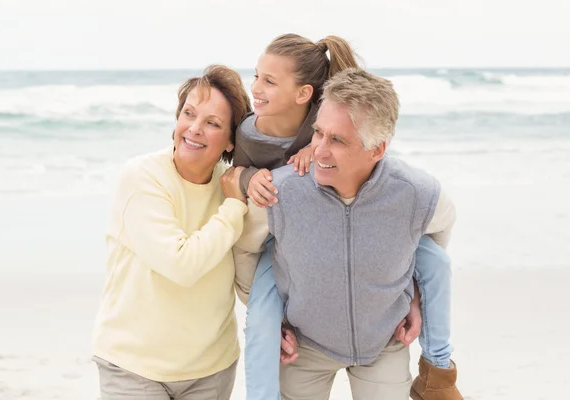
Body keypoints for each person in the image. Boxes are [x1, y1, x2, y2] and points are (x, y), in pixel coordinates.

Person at [233, 66, 463, 399]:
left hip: (384, 342)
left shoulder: (417, 193)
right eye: (318, 133)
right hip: (304, 346)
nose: (319, 150)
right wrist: (273, 319)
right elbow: (245, 249)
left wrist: (415, 293)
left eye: (337, 140)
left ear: (377, 150)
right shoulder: (280, 193)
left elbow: (438, 235)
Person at [91, 65, 252, 400]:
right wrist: (234, 208)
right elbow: (181, 264)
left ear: (231, 140)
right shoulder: (142, 178)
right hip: (134, 368)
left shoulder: (232, 185)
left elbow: (251, 268)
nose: (194, 129)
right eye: (189, 114)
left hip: (212, 369)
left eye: (213, 123)